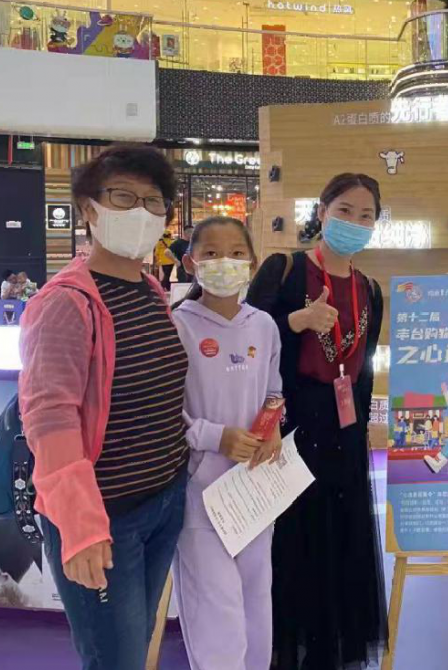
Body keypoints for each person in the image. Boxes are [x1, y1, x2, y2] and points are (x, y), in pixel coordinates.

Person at [18, 145, 186, 670]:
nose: (140, 211)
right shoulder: (65, 303)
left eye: (152, 201)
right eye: (123, 197)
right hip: (106, 520)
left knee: (137, 645)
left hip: (163, 500)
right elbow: (50, 419)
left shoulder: (151, 291)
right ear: (88, 209)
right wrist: (80, 527)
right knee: (116, 659)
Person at [247, 173, 387, 669]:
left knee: (339, 543)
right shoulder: (285, 270)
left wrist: (361, 427)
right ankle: (284, 651)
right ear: (322, 212)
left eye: (366, 216)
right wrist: (295, 322)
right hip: (288, 429)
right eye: (345, 211)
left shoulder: (370, 289)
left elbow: (363, 367)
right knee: (292, 544)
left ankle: (328, 653)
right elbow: (245, 339)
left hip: (343, 433)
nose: (354, 222)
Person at [170, 216, 283, 670]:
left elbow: (273, 388)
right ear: (190, 263)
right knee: (217, 619)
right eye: (212, 253)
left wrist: (272, 425)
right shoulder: (177, 325)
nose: (225, 263)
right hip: (201, 495)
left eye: (236, 254)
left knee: (257, 608)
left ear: (252, 263)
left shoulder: (264, 326)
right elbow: (164, 414)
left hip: (254, 490)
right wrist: (217, 437)